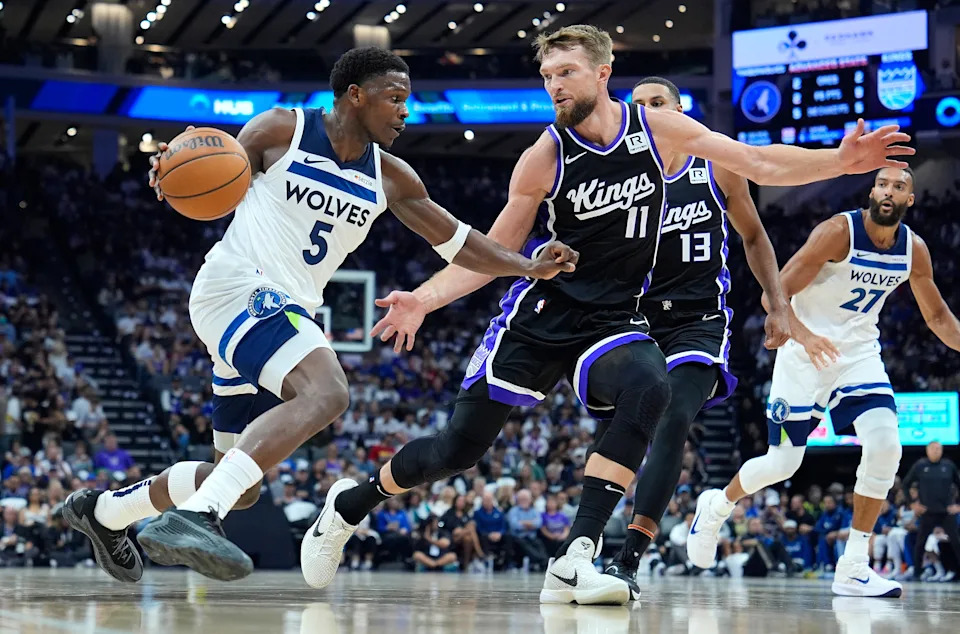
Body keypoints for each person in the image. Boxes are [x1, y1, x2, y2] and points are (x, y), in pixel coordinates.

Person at [308, 24, 914, 606]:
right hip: (544, 312)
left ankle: (575, 556)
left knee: (652, 385)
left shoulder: (660, 128)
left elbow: (757, 163)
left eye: (566, 72)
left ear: (603, 72)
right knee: (456, 451)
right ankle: (351, 504)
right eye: (547, 75)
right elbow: (491, 251)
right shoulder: (544, 156)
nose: (555, 86)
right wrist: (425, 298)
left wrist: (839, 161)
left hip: (615, 319)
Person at [62, 46, 577, 584]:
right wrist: (173, 163)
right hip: (239, 288)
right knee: (328, 393)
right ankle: (195, 517)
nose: (406, 112)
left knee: (239, 483)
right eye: (395, 99)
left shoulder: (392, 177)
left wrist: (526, 265)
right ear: (354, 95)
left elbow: (458, 243)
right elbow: (219, 162)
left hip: (281, 312)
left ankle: (103, 513)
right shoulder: (282, 129)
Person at [686, 166, 960, 598]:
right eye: (884, 184)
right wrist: (807, 336)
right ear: (872, 192)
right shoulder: (838, 232)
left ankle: (853, 564)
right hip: (802, 350)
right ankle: (716, 506)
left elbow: (939, 318)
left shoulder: (914, 250)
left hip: (858, 356)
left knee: (887, 443)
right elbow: (773, 295)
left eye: (899, 187)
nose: (889, 191)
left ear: (911, 200)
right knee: (782, 464)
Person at [601, 75, 796, 591]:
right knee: (627, 425)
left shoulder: (714, 163)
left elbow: (753, 234)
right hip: (636, 319)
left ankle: (630, 557)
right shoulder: (615, 173)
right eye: (638, 105)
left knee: (672, 417)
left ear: (680, 109)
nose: (648, 112)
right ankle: (585, 544)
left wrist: (777, 304)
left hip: (698, 319)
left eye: (658, 103)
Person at [901, 441, 960, 580]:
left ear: (942, 450)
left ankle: (956, 571)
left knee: (956, 542)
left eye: (939, 448)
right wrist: (913, 504)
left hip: (946, 511)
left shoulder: (948, 465)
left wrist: (958, 505)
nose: (936, 451)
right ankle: (917, 573)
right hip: (927, 511)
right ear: (927, 450)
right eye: (933, 448)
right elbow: (905, 484)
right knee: (920, 543)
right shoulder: (920, 465)